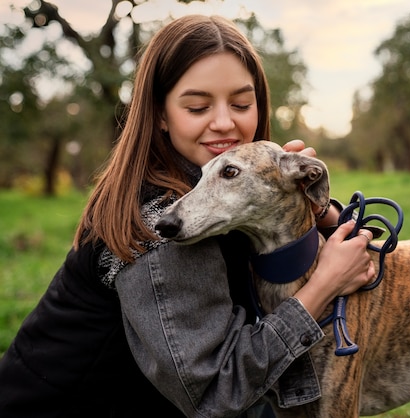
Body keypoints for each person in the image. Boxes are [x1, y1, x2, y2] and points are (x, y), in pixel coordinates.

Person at [0, 14, 375, 418]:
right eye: (197, 106)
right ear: (160, 114)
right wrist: (322, 287)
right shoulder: (162, 227)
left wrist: (308, 206)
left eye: (241, 103)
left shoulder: (208, 185)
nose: (223, 123)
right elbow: (216, 394)